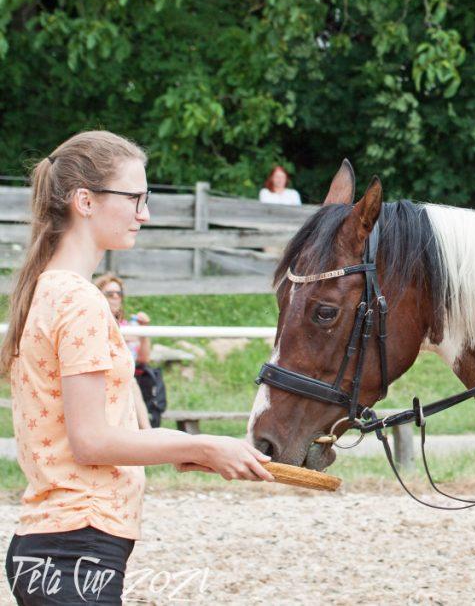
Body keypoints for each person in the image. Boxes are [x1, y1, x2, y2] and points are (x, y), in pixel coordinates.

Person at [1, 131, 273, 605]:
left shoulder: (50, 290)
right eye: (134, 198)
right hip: (74, 546)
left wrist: (176, 450)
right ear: (85, 201)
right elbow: (91, 441)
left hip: (60, 544)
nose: (144, 213)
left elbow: (89, 432)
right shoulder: (80, 301)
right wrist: (202, 444)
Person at [94, 273, 165, 428]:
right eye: (110, 293)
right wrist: (121, 339)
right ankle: (147, 431)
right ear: (99, 296)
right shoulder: (95, 323)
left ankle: (146, 431)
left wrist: (143, 332)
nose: (115, 297)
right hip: (107, 377)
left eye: (118, 293)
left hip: (128, 376)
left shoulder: (128, 325)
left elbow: (144, 359)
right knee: (130, 382)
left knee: (131, 381)